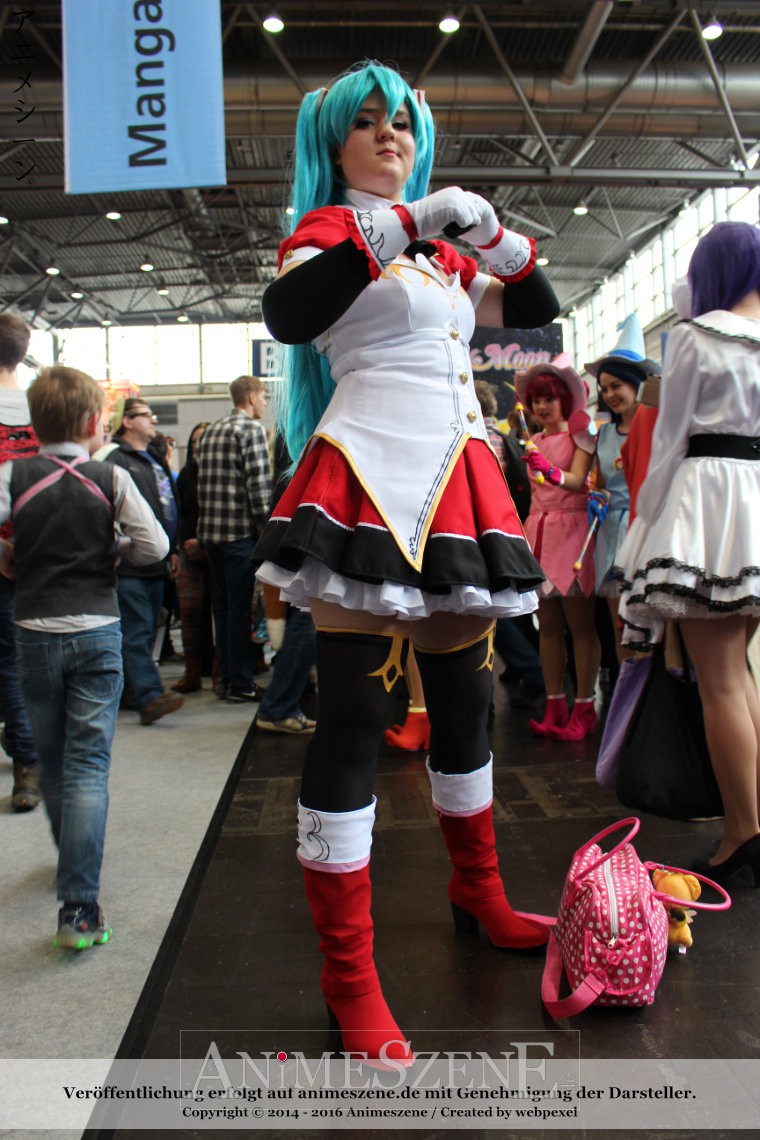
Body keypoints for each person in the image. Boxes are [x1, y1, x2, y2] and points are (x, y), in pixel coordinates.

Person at [255, 61, 559, 1066]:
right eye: (368, 123)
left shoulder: (436, 253)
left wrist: (485, 231)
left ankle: (479, 894)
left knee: (467, 709)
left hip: (457, 472)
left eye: (401, 123)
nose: (389, 136)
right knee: (351, 716)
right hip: (368, 470)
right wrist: (409, 217)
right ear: (333, 142)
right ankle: (349, 980)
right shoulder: (330, 231)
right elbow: (289, 316)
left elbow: (538, 305)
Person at [0, 366, 168, 948]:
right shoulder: (110, 476)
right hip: (98, 631)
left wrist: (8, 552)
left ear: (33, 424)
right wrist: (114, 548)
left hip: (33, 634)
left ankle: (70, 864)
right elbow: (155, 546)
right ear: (96, 421)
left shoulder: (12, 474)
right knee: (88, 767)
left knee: (51, 762)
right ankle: (79, 907)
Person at [615, 221, 760, 885]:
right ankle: (752, 822)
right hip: (756, 499)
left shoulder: (696, 338)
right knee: (742, 673)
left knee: (721, 678)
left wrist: (645, 524)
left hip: (707, 501)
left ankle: (742, 833)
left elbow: (669, 441)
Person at [516, 359, 601, 740]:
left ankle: (585, 707)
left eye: (549, 398)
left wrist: (547, 470)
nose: (542, 407)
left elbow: (577, 480)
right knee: (547, 626)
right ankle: (555, 705)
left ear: (565, 400)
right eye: (536, 400)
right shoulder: (532, 441)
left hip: (572, 532)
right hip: (539, 532)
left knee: (580, 627)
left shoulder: (580, 437)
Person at [584, 315, 661, 666]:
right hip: (611, 535)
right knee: (620, 627)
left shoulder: (660, 428)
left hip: (649, 532)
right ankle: (626, 705)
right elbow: (598, 483)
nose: (610, 394)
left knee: (656, 624)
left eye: (616, 385)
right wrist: (595, 496)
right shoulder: (603, 436)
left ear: (635, 384)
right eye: (604, 388)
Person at [106, 398, 183, 725]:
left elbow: (169, 505)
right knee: (137, 632)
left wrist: (173, 550)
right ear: (127, 421)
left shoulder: (153, 458)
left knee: (148, 630)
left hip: (158, 561)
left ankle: (129, 692)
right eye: (145, 415)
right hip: (131, 563)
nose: (153, 420)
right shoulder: (115, 460)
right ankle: (150, 696)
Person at [197, 377, 271, 704]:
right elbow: (258, 486)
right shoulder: (251, 431)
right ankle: (241, 683)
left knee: (224, 611)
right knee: (241, 613)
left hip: (211, 535)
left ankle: (227, 678)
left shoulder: (211, 430)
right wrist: (267, 530)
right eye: (265, 397)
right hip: (239, 535)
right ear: (251, 396)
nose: (265, 404)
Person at [474, 379, 544, 709]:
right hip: (509, 535)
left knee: (488, 613)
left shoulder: (479, 439)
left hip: (483, 535)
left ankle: (533, 670)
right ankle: (531, 669)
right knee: (509, 611)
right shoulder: (501, 437)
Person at [0, 313, 40, 812]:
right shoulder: (38, 407)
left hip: (4, 554)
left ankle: (28, 758)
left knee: (8, 661)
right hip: (40, 551)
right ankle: (26, 750)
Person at [171, 422, 214, 693]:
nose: (199, 445)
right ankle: (192, 673)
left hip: (213, 547)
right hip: (188, 549)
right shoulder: (186, 473)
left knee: (216, 614)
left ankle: (219, 673)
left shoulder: (215, 473)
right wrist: (185, 545)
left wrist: (204, 541)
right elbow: (180, 512)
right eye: (195, 441)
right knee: (190, 614)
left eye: (203, 440)